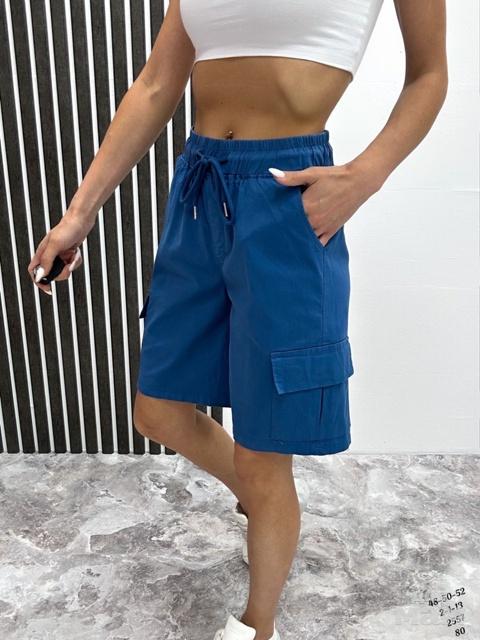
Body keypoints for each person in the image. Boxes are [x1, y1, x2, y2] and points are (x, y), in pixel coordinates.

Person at [28, 1, 448, 638]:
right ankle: (261, 501)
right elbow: (156, 85)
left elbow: (429, 74)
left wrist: (365, 175)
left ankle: (258, 625)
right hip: (200, 190)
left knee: (264, 448)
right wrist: (78, 214)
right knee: (157, 411)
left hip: (288, 197)